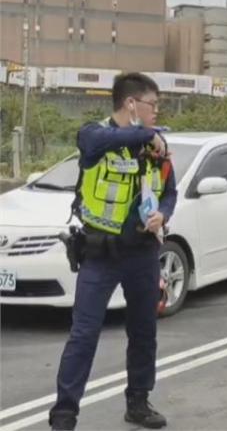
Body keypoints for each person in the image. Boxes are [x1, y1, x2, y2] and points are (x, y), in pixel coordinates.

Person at [49, 73, 176, 431]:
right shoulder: (94, 135)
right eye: (153, 104)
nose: (157, 112)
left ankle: (138, 402)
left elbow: (170, 191)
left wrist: (162, 213)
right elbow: (99, 141)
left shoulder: (156, 146)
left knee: (143, 331)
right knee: (84, 334)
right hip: (100, 253)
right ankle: (64, 415)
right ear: (131, 104)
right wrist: (149, 134)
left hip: (141, 253)